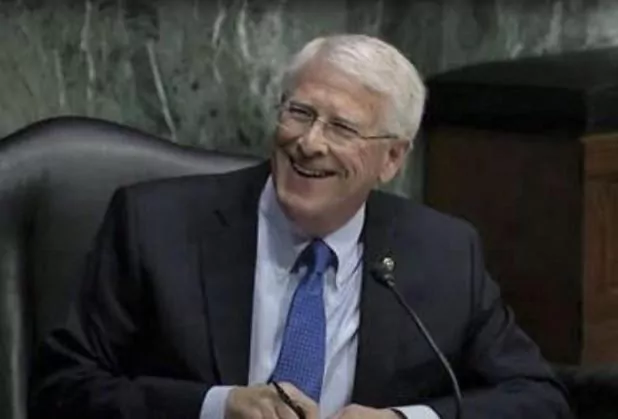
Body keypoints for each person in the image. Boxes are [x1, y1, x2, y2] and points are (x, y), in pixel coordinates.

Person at [29, 34, 571, 419]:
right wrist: (217, 407)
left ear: (391, 159)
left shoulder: (444, 252)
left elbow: (537, 399)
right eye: (300, 113)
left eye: (342, 128)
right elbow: (61, 388)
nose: (310, 143)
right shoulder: (155, 225)